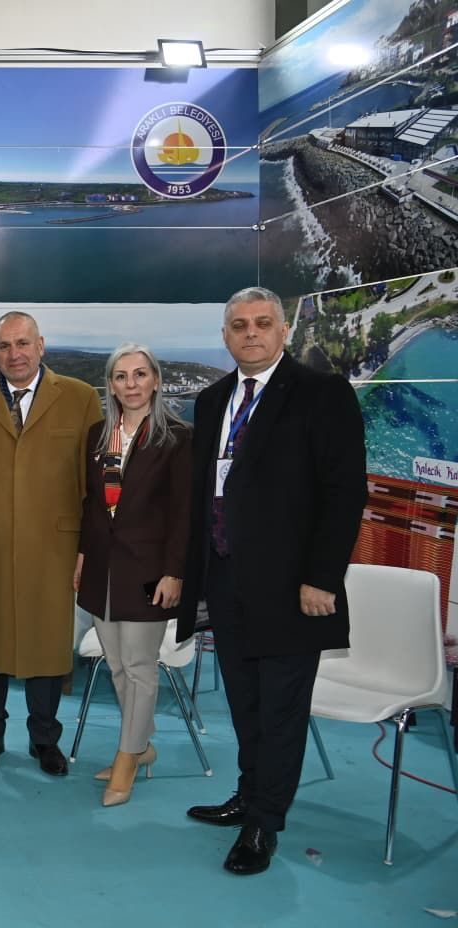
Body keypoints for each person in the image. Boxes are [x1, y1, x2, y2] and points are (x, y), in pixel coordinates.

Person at [179, 286, 366, 875]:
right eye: (239, 325)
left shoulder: (322, 394)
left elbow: (344, 493)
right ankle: (249, 793)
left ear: (284, 331)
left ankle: (264, 824)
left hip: (292, 588)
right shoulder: (212, 400)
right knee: (244, 701)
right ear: (226, 336)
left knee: (281, 709)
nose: (251, 333)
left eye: (262, 323)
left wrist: (322, 578)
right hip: (225, 578)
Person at [0, 310, 101, 777]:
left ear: (41, 346)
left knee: (48, 643)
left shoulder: (80, 397)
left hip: (55, 546)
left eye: (23, 343)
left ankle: (45, 738)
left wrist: (87, 547)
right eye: (4, 346)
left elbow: (94, 482)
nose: (15, 354)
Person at [72, 343, 191, 807]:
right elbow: (92, 506)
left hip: (149, 570)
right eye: (121, 376)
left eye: (140, 374)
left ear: (156, 380)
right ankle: (140, 745)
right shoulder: (99, 435)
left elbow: (183, 514)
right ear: (111, 385)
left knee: (140, 667)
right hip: (102, 568)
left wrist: (174, 572)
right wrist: (83, 554)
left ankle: (126, 758)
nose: (131, 384)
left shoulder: (177, 437)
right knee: (118, 664)